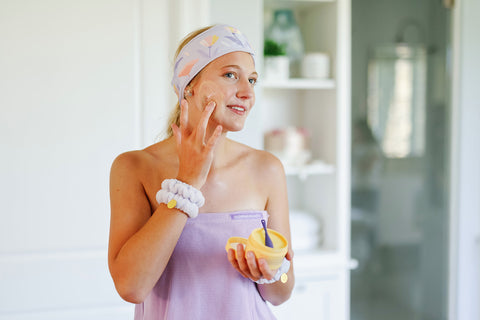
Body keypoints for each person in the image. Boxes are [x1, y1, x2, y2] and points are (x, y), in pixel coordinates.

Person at [108, 24, 294, 319]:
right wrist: (187, 182)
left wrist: (272, 273)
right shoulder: (134, 168)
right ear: (189, 85)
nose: (247, 93)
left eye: (252, 80)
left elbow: (283, 291)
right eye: (230, 75)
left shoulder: (267, 169)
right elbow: (131, 286)